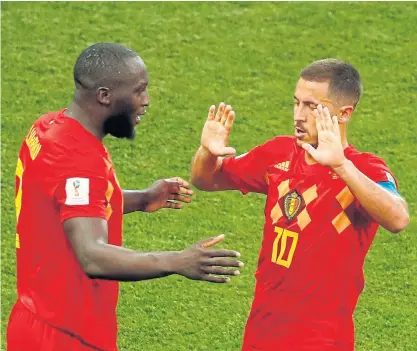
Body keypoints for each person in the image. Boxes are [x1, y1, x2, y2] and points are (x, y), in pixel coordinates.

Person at [7, 43, 244, 351]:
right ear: (104, 95)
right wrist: (178, 260)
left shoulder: (47, 127)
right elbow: (92, 255)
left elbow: (71, 202)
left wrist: (142, 199)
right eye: (138, 91)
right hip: (65, 335)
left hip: (34, 317)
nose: (145, 102)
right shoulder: (78, 161)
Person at [190, 58, 410, 351]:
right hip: (261, 331)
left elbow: (398, 219)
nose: (298, 115)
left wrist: (341, 165)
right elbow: (207, 180)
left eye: (311, 107)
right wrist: (208, 152)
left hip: (322, 339)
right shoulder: (278, 153)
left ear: (344, 113)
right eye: (296, 103)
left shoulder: (364, 169)